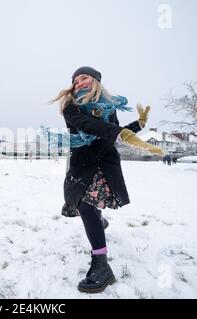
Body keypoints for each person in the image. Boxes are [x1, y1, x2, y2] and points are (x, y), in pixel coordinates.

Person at [51, 66, 163, 294]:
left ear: (96, 81)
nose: (79, 82)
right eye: (75, 80)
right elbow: (86, 125)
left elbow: (112, 130)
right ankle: (99, 221)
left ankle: (101, 264)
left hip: (103, 161)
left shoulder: (108, 107)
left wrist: (138, 125)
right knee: (78, 202)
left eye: (84, 78)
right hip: (81, 162)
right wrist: (120, 133)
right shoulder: (71, 106)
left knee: (86, 204)